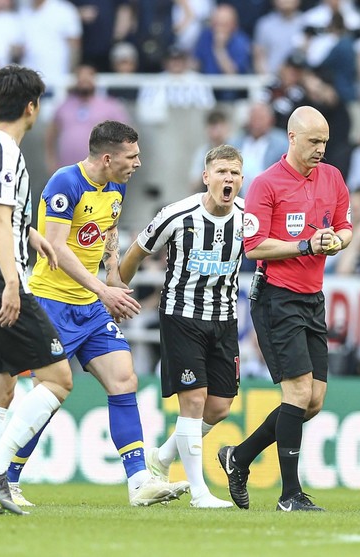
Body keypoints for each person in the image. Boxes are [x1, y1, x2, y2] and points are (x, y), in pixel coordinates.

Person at [10, 120, 189, 507]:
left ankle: (139, 482)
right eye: (132, 156)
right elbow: (55, 248)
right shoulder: (64, 183)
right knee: (50, 394)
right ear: (108, 158)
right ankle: (5, 478)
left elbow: (108, 228)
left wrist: (111, 268)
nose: (139, 163)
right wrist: (103, 289)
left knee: (124, 378)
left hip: (89, 304)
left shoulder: (116, 186)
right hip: (50, 302)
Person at [217, 105, 352, 512]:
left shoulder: (332, 177)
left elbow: (346, 226)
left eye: (325, 142)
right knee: (297, 392)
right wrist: (306, 245)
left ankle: (238, 458)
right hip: (276, 296)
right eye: (313, 142)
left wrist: (337, 242)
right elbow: (254, 247)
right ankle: (290, 495)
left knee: (313, 402)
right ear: (291, 138)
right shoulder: (265, 184)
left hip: (313, 297)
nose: (321, 150)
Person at [0, 65, 73, 516]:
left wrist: (33, 234)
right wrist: (12, 281)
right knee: (58, 379)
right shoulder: (8, 152)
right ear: (32, 107)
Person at [119, 145, 246, 509]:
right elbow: (139, 249)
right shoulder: (178, 214)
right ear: (206, 176)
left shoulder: (248, 218)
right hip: (181, 316)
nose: (228, 179)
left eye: (235, 173)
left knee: (219, 406)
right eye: (221, 171)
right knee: (192, 401)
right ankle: (199, 493)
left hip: (223, 320)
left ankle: (160, 457)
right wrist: (117, 291)